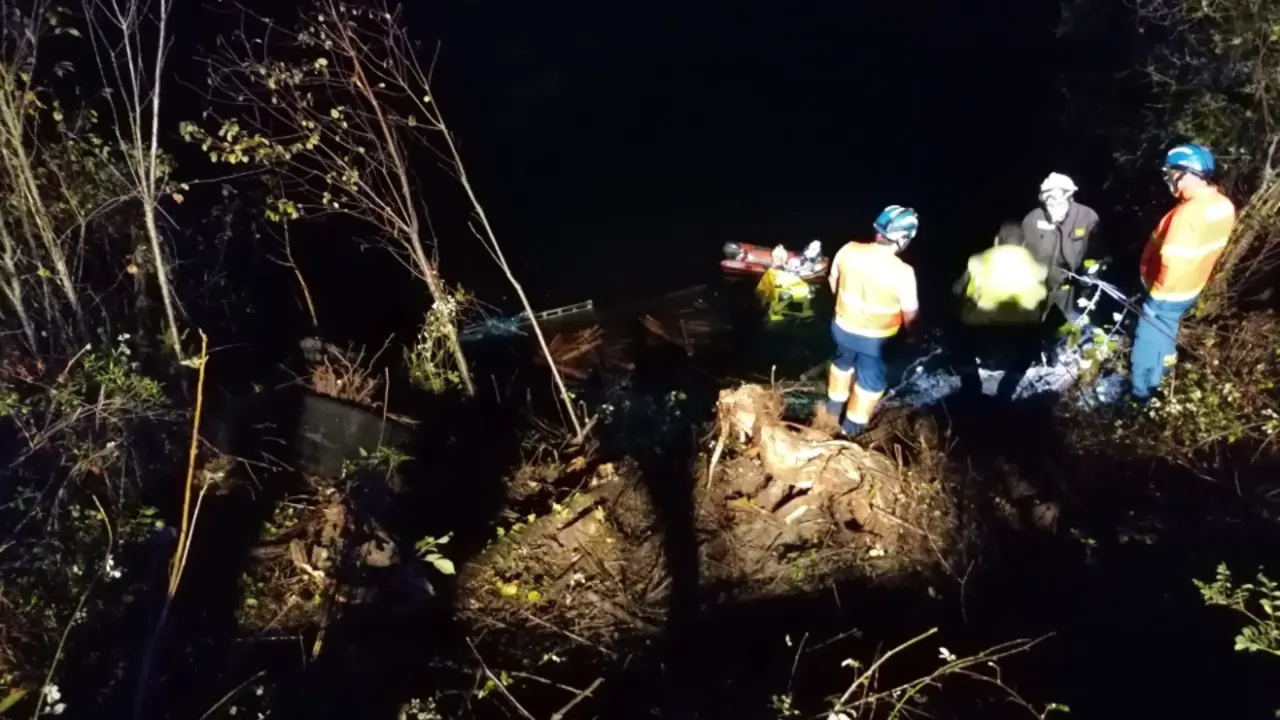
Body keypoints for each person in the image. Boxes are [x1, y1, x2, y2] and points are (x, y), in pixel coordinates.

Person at [1129, 143, 1237, 404]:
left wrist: (1155, 296)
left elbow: (1172, 260)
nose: (1168, 178)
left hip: (1168, 292)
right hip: (1192, 286)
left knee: (1148, 342)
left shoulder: (1188, 214)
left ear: (1186, 172)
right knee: (1167, 334)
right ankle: (1166, 382)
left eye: (1171, 172)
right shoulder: (1222, 204)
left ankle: (1142, 398)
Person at [821, 205, 920, 436]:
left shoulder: (848, 250)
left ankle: (832, 410)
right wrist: (913, 337)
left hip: (842, 328)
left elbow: (833, 280)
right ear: (903, 238)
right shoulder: (903, 272)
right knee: (869, 384)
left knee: (842, 366)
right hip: (876, 341)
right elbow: (910, 315)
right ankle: (849, 431)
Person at [951, 222, 1050, 400]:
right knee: (1030, 348)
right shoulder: (1039, 266)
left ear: (997, 241)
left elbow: (957, 290)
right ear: (1024, 243)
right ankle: (1006, 390)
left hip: (981, 328)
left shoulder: (978, 260)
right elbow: (1043, 298)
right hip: (1022, 330)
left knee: (960, 342)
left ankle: (971, 385)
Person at [1019, 173, 1102, 328]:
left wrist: (1090, 274)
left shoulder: (1086, 217)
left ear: (1070, 196)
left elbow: (1097, 252)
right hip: (1042, 289)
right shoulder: (1032, 220)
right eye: (1048, 198)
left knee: (1075, 327)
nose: (1053, 203)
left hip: (1074, 289)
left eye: (1058, 197)